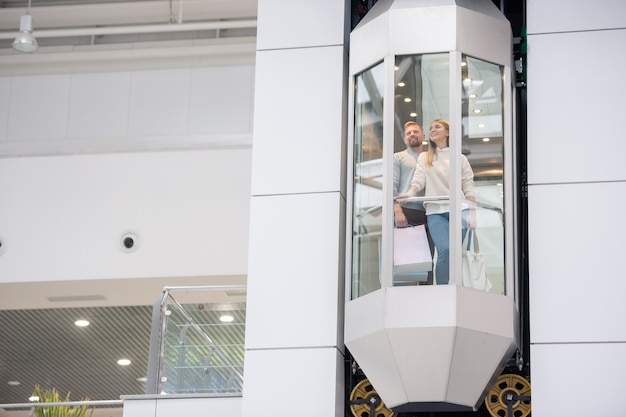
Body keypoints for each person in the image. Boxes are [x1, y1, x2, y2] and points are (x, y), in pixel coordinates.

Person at [396, 119, 476, 285]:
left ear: (447, 132)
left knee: (455, 253)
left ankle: (455, 288)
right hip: (435, 211)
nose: (433, 129)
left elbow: (468, 185)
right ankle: (442, 290)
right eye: (431, 127)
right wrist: (409, 194)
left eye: (437, 127)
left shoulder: (459, 158)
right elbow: (419, 180)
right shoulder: (425, 157)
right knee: (445, 250)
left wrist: (472, 212)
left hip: (459, 210)